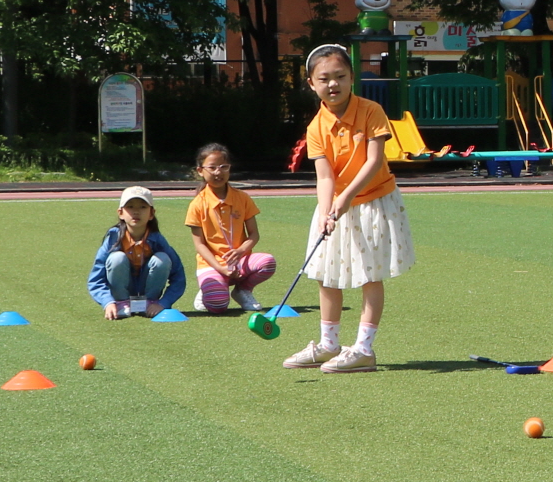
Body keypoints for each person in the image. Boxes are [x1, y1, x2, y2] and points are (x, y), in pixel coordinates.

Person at [284, 43, 413, 375]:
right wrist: (326, 210)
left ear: (352, 77)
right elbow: (325, 177)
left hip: (373, 201)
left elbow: (373, 162)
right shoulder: (316, 127)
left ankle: (364, 350)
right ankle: (329, 345)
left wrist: (343, 201)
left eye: (340, 76)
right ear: (311, 84)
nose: (333, 84)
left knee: (370, 275)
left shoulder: (371, 111)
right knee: (327, 275)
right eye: (324, 78)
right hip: (336, 206)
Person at [184, 141, 276, 313]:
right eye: (212, 168)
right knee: (218, 306)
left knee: (267, 262)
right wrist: (220, 268)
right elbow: (199, 245)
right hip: (212, 264)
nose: (218, 172)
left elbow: (254, 235)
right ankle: (210, 286)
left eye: (223, 167)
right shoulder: (197, 204)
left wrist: (240, 251)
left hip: (239, 261)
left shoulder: (242, 198)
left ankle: (242, 290)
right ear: (200, 171)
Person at [88, 187, 185, 319]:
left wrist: (163, 303)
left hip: (151, 300)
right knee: (117, 258)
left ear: (151, 213)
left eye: (143, 207)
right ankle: (121, 303)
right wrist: (108, 302)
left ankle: (150, 302)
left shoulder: (158, 241)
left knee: (162, 259)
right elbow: (95, 279)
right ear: (120, 213)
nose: (136, 212)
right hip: (119, 297)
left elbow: (178, 277)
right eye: (130, 207)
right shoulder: (113, 240)